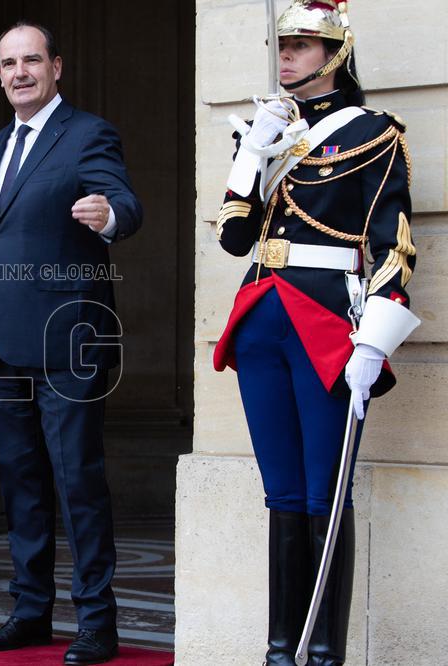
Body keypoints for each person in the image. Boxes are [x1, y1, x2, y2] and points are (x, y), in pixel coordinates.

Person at [212, 2, 420, 663]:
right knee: (282, 491)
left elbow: (395, 245)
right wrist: (253, 153)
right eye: (282, 45)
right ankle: (281, 650)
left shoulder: (374, 133)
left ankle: (324, 654)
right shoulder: (269, 129)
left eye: (302, 45)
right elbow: (234, 238)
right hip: (261, 319)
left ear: (335, 54)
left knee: (325, 492)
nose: (286, 56)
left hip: (325, 322)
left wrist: (375, 338)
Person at [0, 22, 142, 665]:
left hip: (68, 340)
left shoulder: (87, 133)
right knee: (21, 483)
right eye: (8, 63)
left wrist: (110, 215)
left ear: (56, 68)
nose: (19, 72)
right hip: (5, 341)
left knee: (78, 483)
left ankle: (97, 622)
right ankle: (29, 612)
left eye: (31, 61)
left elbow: (123, 200)